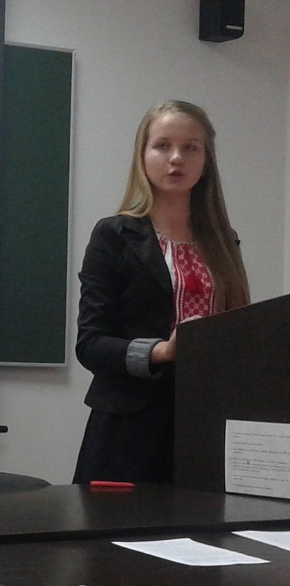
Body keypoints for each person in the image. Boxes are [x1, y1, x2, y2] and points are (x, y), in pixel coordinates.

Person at [72, 100, 250, 484]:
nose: (176, 158)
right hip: (129, 429)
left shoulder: (224, 241)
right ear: (143, 155)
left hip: (208, 424)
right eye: (162, 146)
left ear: (206, 160)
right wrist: (161, 352)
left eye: (190, 148)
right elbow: (91, 344)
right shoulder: (114, 235)